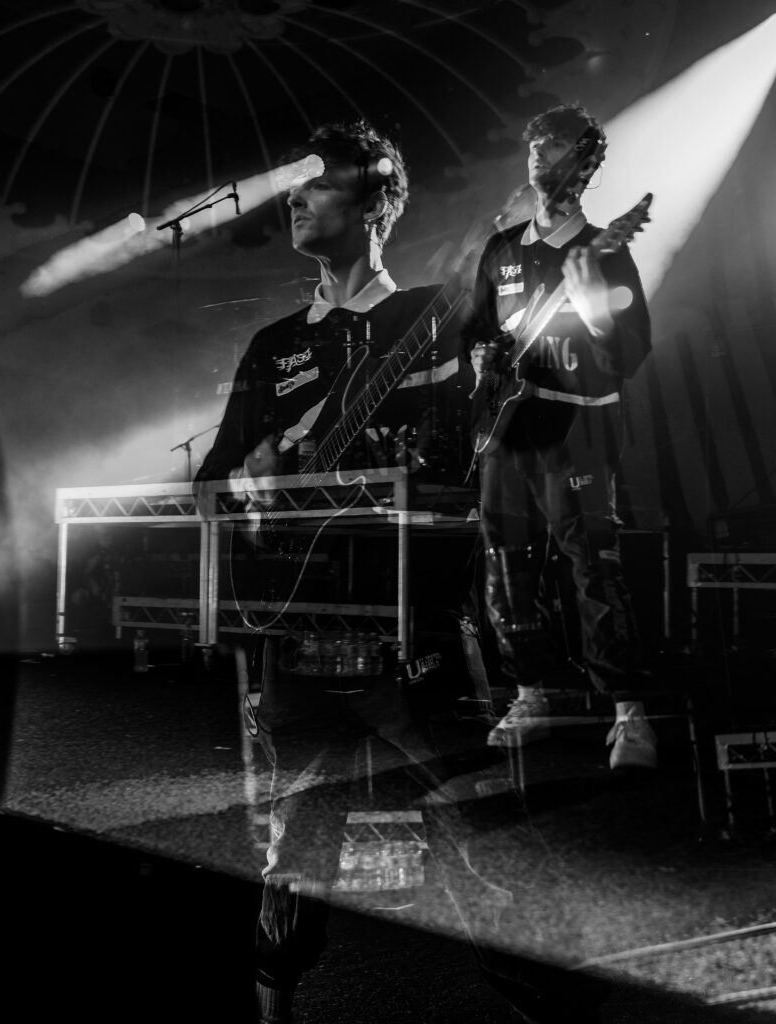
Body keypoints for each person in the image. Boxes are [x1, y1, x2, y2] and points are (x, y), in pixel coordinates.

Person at [194, 121, 545, 1024]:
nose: (295, 197)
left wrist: (534, 262)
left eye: (318, 181)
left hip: (417, 631)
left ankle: (545, 1002)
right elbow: (210, 484)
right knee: (292, 852)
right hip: (300, 634)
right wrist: (250, 472)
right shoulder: (274, 345)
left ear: (376, 201)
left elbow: (501, 398)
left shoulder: (437, 313)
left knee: (482, 831)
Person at [461, 103, 657, 769]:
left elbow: (631, 352)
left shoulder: (607, 249)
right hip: (505, 433)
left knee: (593, 565)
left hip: (577, 428)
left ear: (585, 162)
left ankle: (628, 710)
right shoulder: (500, 250)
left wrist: (595, 306)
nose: (540, 154)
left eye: (556, 145)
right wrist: (479, 362)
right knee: (504, 566)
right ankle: (528, 694)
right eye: (535, 144)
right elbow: (475, 335)